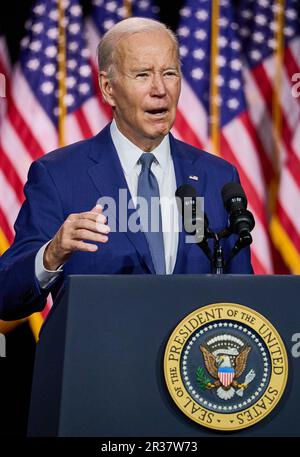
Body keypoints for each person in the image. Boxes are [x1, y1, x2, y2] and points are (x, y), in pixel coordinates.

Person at [0, 18, 252, 320]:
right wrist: (52, 254)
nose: (160, 89)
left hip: (191, 364)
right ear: (108, 89)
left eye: (169, 73)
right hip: (100, 363)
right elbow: (7, 296)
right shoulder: (58, 176)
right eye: (142, 75)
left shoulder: (218, 177)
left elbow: (242, 301)